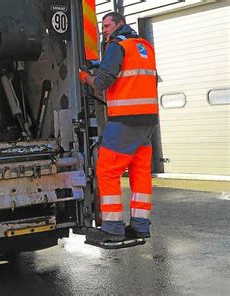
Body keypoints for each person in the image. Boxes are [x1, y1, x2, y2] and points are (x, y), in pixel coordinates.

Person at [79, 12, 158, 243]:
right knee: (140, 173)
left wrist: (85, 77)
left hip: (125, 120)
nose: (104, 30)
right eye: (102, 26)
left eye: (107, 25)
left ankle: (112, 228)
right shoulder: (144, 46)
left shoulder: (117, 46)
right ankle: (141, 226)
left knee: (107, 170)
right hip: (148, 121)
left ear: (120, 24)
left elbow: (103, 82)